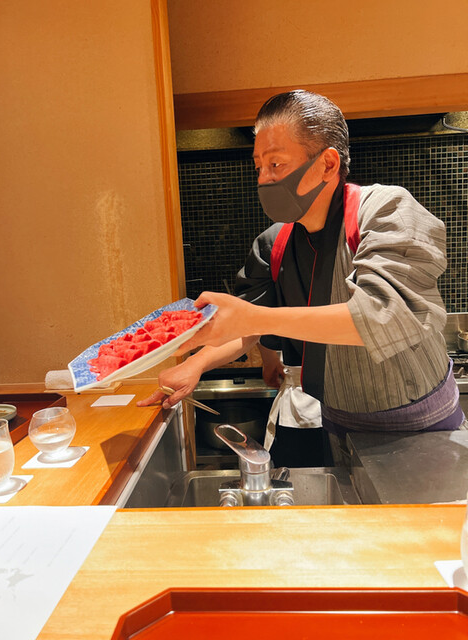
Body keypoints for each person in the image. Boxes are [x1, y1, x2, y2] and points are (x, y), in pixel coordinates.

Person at [139, 90, 466, 467]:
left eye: (276, 164)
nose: (264, 179)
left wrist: (253, 318)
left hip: (423, 429)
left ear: (327, 164)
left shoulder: (387, 212)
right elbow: (248, 327)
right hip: (339, 426)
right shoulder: (272, 244)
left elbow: (382, 316)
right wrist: (195, 365)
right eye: (259, 167)